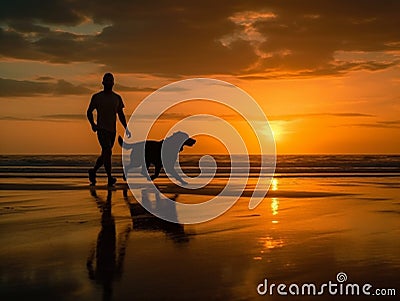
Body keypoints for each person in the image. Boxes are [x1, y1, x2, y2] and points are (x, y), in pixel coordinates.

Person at [87, 73, 131, 186]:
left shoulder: (117, 98)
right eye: (106, 81)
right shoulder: (97, 97)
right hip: (101, 129)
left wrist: (126, 127)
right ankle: (110, 177)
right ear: (103, 83)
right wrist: (93, 124)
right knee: (107, 151)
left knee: (105, 154)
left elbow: (120, 114)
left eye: (110, 81)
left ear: (113, 83)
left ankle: (93, 171)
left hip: (112, 131)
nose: (108, 83)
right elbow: (89, 111)